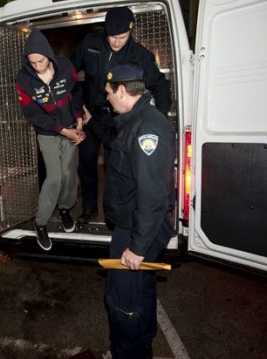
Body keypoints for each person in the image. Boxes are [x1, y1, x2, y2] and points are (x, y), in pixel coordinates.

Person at [85, 64, 175, 358]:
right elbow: (116, 144)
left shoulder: (146, 129)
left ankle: (127, 353)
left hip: (138, 228)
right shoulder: (136, 118)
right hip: (136, 224)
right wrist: (92, 122)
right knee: (141, 288)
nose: (107, 99)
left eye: (109, 93)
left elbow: (152, 195)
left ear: (122, 91)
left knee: (122, 300)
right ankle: (143, 343)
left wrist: (137, 247)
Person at [70, 6, 172, 224]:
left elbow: (160, 86)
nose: (116, 42)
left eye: (122, 37)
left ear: (131, 31)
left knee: (114, 167)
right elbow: (69, 74)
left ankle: (113, 213)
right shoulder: (91, 43)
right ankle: (89, 208)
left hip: (116, 122)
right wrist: (78, 107)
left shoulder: (139, 55)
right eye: (112, 36)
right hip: (89, 115)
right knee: (86, 163)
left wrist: (157, 120)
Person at [15, 28, 85, 251]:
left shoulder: (65, 68)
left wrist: (79, 118)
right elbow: (33, 114)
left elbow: (76, 94)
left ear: (49, 55)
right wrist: (62, 130)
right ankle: (41, 222)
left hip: (72, 129)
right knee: (54, 177)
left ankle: (65, 209)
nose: (37, 66)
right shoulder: (24, 80)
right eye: (32, 62)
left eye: (41, 61)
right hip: (48, 134)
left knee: (68, 175)